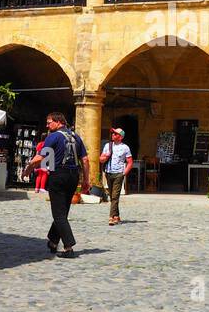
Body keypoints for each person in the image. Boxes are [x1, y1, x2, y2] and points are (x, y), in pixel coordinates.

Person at [28, 111, 89, 258]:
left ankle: (69, 247)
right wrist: (86, 180)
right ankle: (53, 242)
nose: (47, 125)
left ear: (58, 121)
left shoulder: (53, 137)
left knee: (58, 214)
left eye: (49, 122)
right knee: (63, 210)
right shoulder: (76, 136)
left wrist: (28, 168)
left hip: (59, 175)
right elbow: (85, 160)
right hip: (73, 176)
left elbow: (41, 157)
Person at [100, 126, 134, 226]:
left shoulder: (125, 147)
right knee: (112, 196)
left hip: (119, 173)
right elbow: (101, 159)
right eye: (112, 133)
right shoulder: (108, 145)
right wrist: (104, 157)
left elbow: (130, 162)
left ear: (120, 137)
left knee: (115, 196)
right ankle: (117, 215)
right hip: (108, 172)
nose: (113, 135)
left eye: (115, 134)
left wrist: (124, 173)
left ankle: (111, 217)